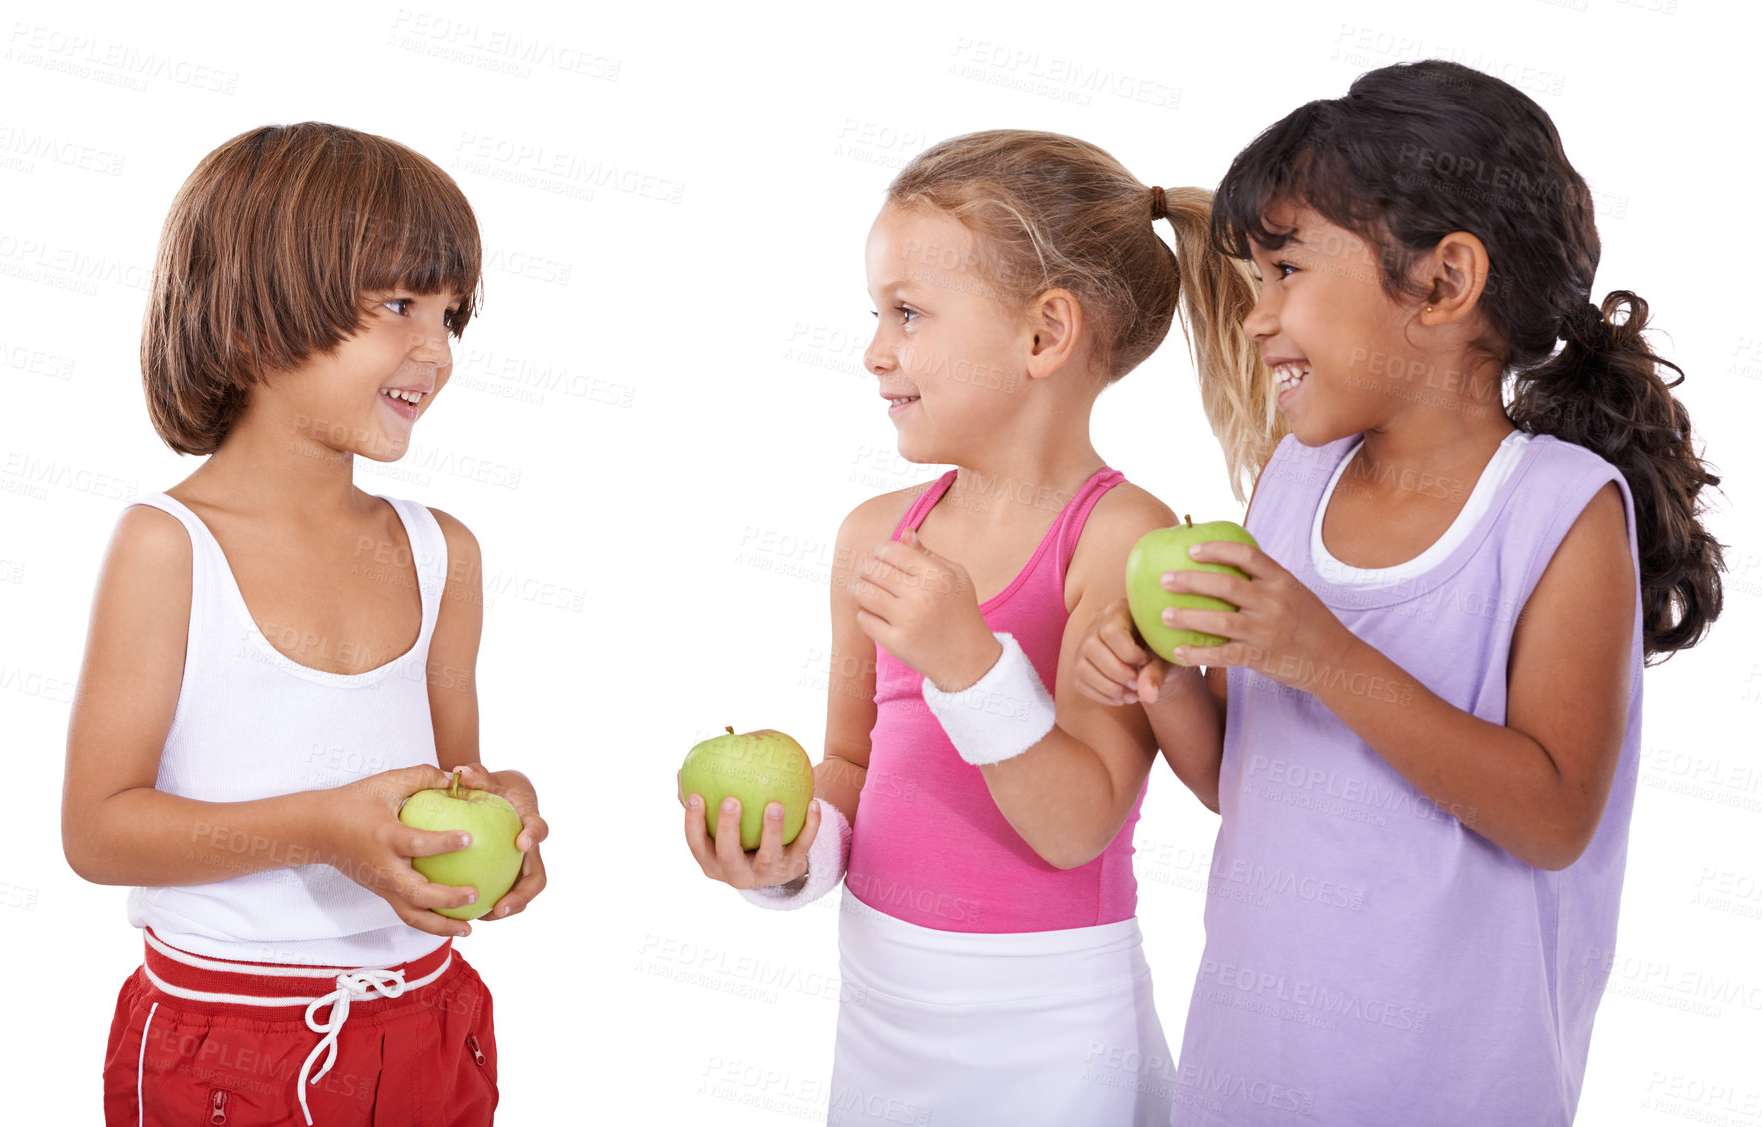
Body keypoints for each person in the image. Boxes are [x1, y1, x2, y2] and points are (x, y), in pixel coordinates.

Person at [1075, 59, 1725, 1126]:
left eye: (1286, 271)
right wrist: (1167, 684)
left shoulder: (1560, 510)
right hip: (1249, 1071)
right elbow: (1256, 781)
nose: (1256, 317)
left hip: (1451, 1088)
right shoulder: (1294, 479)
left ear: (1443, 283)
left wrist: (1321, 653)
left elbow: (1555, 813)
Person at [682, 129, 1261, 1125]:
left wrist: (970, 661)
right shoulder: (876, 534)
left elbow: (1078, 823)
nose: (874, 350)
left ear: (1044, 335)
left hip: (1047, 1015)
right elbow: (850, 767)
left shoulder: (1121, 536)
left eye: (907, 314)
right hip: (882, 1004)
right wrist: (792, 859)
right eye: (877, 314)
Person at [63, 122, 550, 1127]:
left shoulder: (441, 551)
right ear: (251, 323)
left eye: (453, 315)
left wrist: (505, 806)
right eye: (401, 305)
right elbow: (98, 829)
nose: (438, 351)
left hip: (429, 1021)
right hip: (226, 1045)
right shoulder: (170, 546)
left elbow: (454, 778)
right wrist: (321, 829)